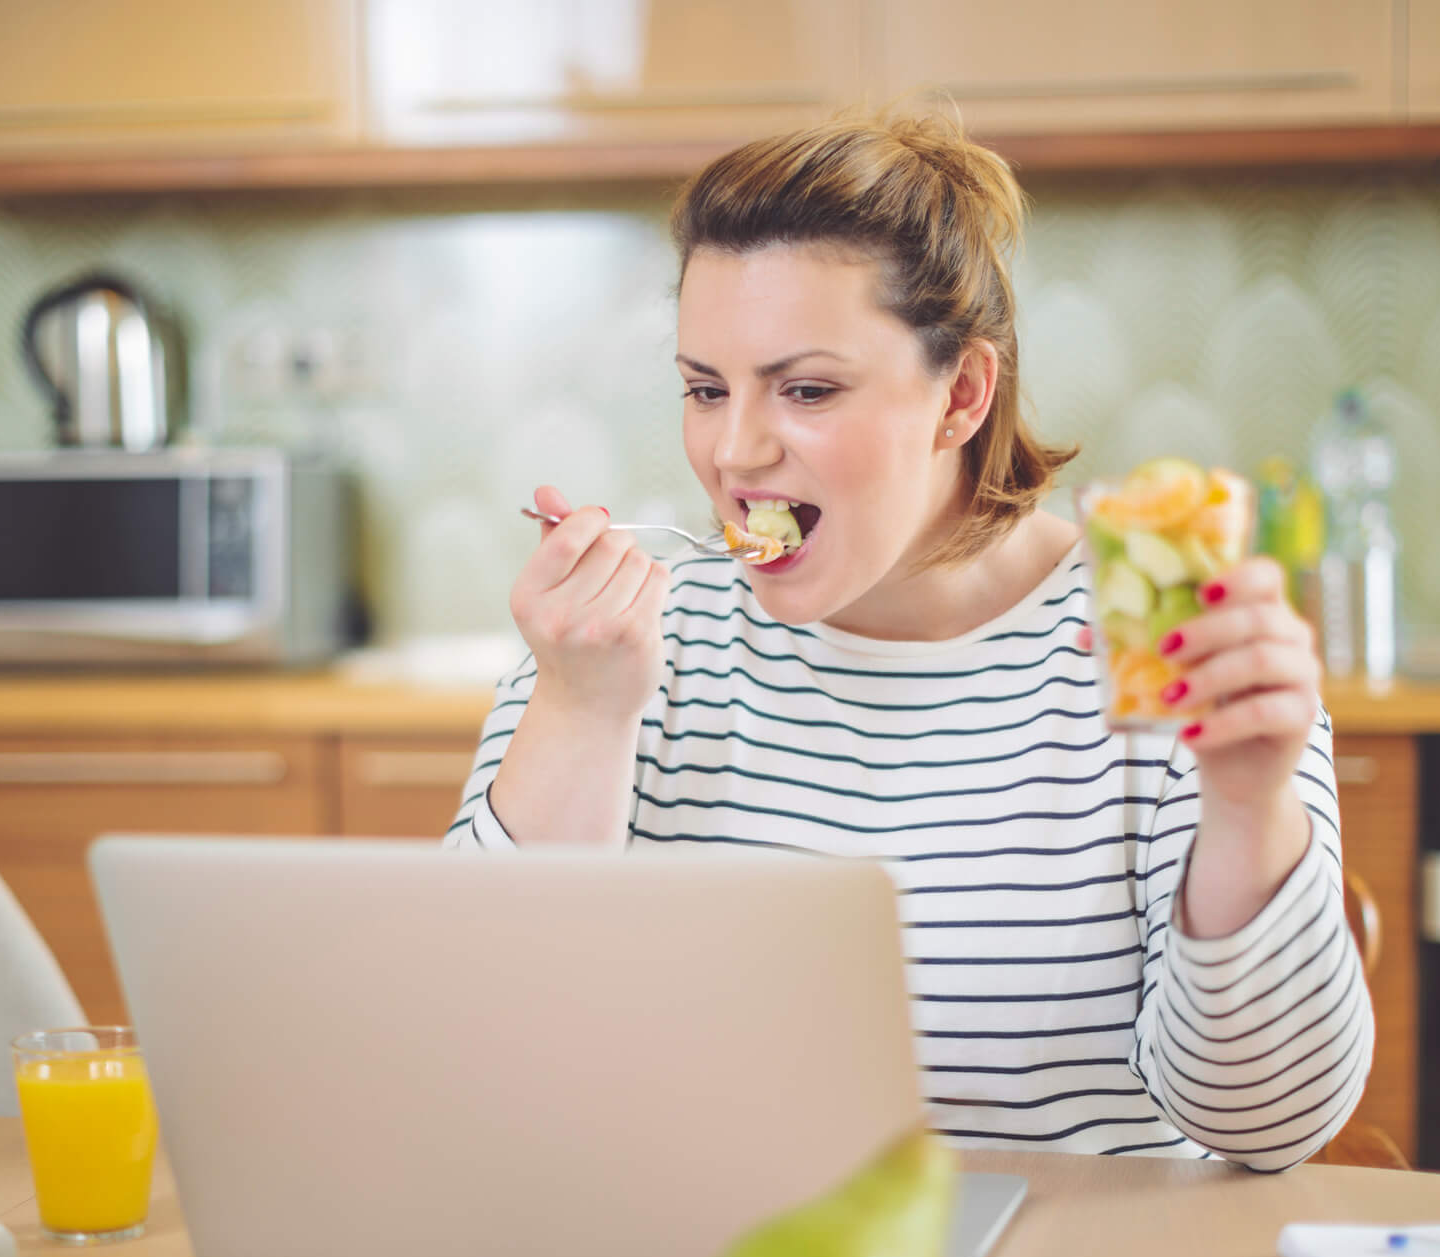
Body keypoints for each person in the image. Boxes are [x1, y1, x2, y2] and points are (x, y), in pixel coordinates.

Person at [447, 110, 1372, 1169]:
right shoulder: (614, 645)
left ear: (962, 395)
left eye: (806, 390)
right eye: (705, 389)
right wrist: (578, 716)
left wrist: (1250, 808)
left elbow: (1270, 1128)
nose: (733, 451)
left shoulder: (1154, 639)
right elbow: (484, 1069)